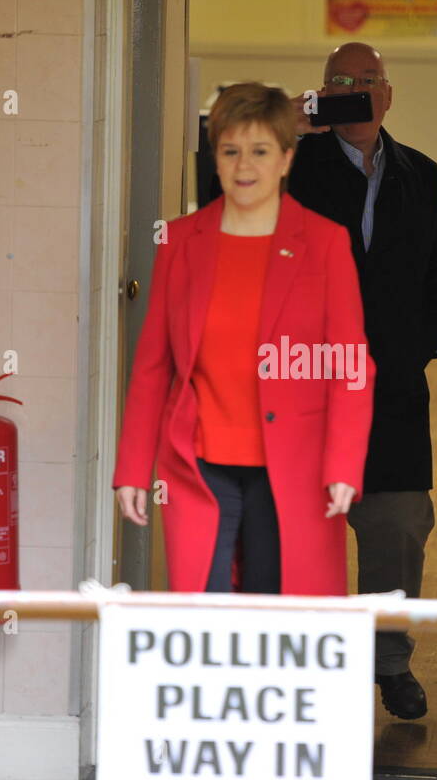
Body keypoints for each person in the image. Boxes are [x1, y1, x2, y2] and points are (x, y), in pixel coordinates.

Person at [112, 82, 374, 596]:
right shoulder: (181, 241)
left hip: (295, 470)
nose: (244, 166)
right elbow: (152, 367)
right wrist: (131, 470)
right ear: (215, 158)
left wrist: (344, 463)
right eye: (230, 151)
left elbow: (350, 366)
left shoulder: (324, 242)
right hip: (200, 466)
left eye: (260, 151)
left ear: (286, 159)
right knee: (205, 615)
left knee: (277, 615)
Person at [289, 43, 437, 718]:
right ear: (323, 96)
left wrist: (435, 335)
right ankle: (309, 667)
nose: (356, 94)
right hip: (303, 379)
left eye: (366, 83)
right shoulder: (288, 166)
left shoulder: (423, 174)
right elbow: (226, 209)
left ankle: (389, 661)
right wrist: (290, 135)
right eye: (340, 83)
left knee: (397, 522)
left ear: (388, 95)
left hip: (391, 382)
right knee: (305, 524)